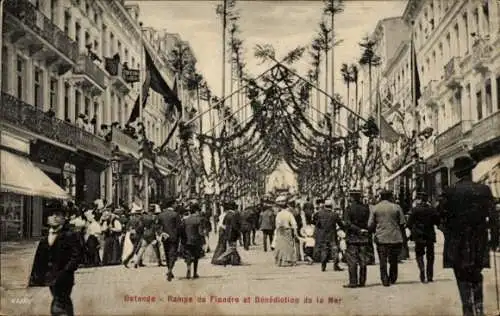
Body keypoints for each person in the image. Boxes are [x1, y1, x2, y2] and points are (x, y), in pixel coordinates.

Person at [439, 156, 498, 316]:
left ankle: (467, 309)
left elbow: (440, 217)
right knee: (476, 273)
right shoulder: (484, 190)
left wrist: (448, 232)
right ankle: (479, 307)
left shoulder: (449, 191)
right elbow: (493, 217)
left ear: (457, 173)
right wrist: (494, 238)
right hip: (478, 239)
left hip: (456, 241)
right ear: (471, 170)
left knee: (461, 274)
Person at [29, 212, 82, 316]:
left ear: (63, 219)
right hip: (50, 276)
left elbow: (77, 255)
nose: (53, 217)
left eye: (57, 215)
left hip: (65, 276)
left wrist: (67, 270)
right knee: (61, 299)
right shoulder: (45, 238)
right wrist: (36, 277)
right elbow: (39, 258)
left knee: (60, 301)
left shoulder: (69, 235)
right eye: (51, 215)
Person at [368, 189, 406, 287]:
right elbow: (402, 222)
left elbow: (370, 224)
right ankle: (393, 278)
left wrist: (374, 232)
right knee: (393, 259)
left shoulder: (375, 208)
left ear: (380, 197)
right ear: (390, 196)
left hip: (381, 237)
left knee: (382, 260)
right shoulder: (397, 207)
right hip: (394, 237)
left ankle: (384, 279)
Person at [407, 191, 440, 283]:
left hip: (418, 235)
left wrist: (413, 231)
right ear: (427, 199)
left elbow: (409, 223)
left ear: (419, 199)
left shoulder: (415, 209)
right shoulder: (432, 209)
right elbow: (437, 221)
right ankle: (429, 275)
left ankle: (421, 269)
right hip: (429, 234)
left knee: (419, 254)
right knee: (430, 256)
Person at [343, 189, 370, 288]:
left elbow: (347, 223)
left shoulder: (348, 209)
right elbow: (369, 222)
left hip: (352, 237)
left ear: (351, 197)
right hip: (363, 238)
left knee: (352, 260)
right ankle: (362, 281)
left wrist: (358, 230)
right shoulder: (365, 208)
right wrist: (364, 230)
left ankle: (353, 282)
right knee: (363, 260)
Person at [313, 199, 344, 272]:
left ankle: (323, 265)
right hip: (332, 234)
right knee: (335, 249)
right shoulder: (334, 214)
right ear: (331, 206)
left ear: (325, 205)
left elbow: (314, 221)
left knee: (324, 249)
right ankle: (335, 265)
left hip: (323, 235)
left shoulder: (319, 213)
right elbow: (340, 224)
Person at [156, 199, 182, 281]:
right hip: (174, 237)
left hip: (165, 237)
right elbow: (179, 227)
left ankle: (169, 269)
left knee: (167, 253)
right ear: (172, 204)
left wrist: (162, 233)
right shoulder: (175, 214)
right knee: (173, 254)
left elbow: (157, 227)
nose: (176, 205)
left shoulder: (161, 215)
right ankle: (170, 269)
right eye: (175, 203)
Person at [180, 203, 204, 279]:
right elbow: (200, 232)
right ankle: (195, 272)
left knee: (188, 256)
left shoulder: (185, 220)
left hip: (187, 240)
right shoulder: (199, 219)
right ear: (196, 211)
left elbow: (182, 230)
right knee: (196, 256)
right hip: (196, 241)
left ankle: (188, 268)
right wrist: (203, 241)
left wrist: (183, 240)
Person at [214, 201, 242, 266]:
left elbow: (224, 224)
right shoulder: (234, 215)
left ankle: (235, 261)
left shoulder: (227, 214)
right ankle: (222, 258)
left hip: (227, 233)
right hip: (233, 234)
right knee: (232, 248)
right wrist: (238, 232)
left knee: (231, 247)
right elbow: (235, 226)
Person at [274, 197, 298, 267]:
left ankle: (280, 261)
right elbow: (294, 224)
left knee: (280, 246)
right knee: (289, 246)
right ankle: (289, 260)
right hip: (287, 231)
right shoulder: (289, 214)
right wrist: (295, 232)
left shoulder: (278, 214)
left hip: (280, 231)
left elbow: (277, 224)